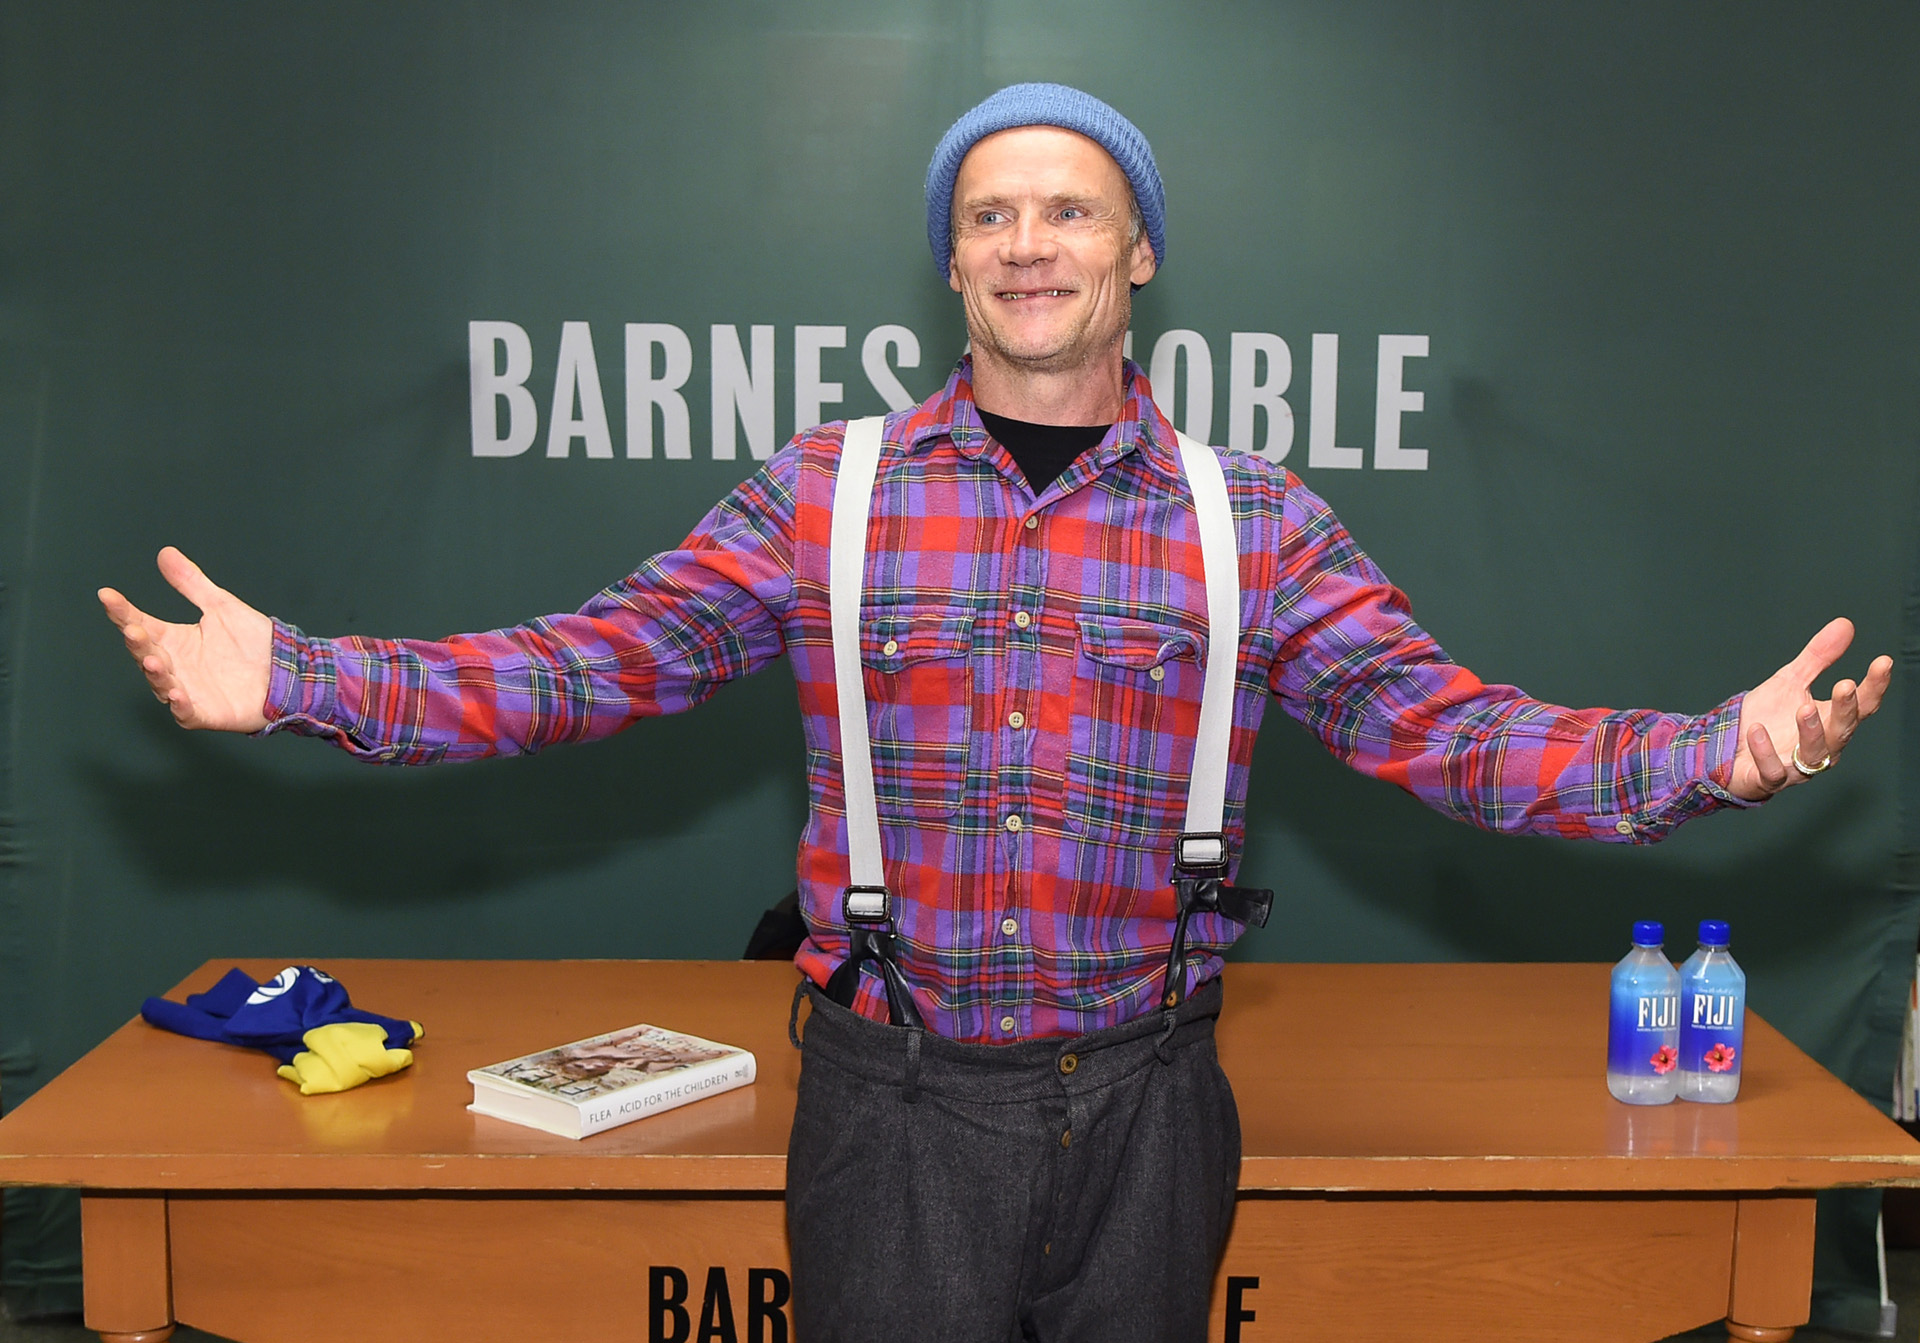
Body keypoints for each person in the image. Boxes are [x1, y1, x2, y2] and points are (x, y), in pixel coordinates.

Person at [99, 83, 1890, 1342]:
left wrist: (1713, 752)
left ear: (1141, 255)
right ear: (951, 267)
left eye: (1072, 210)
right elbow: (588, 664)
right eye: (990, 216)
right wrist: (304, 681)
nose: (1030, 246)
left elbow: (1457, 733)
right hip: (889, 1111)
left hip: (1154, 1108)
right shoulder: (830, 491)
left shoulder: (1251, 520)